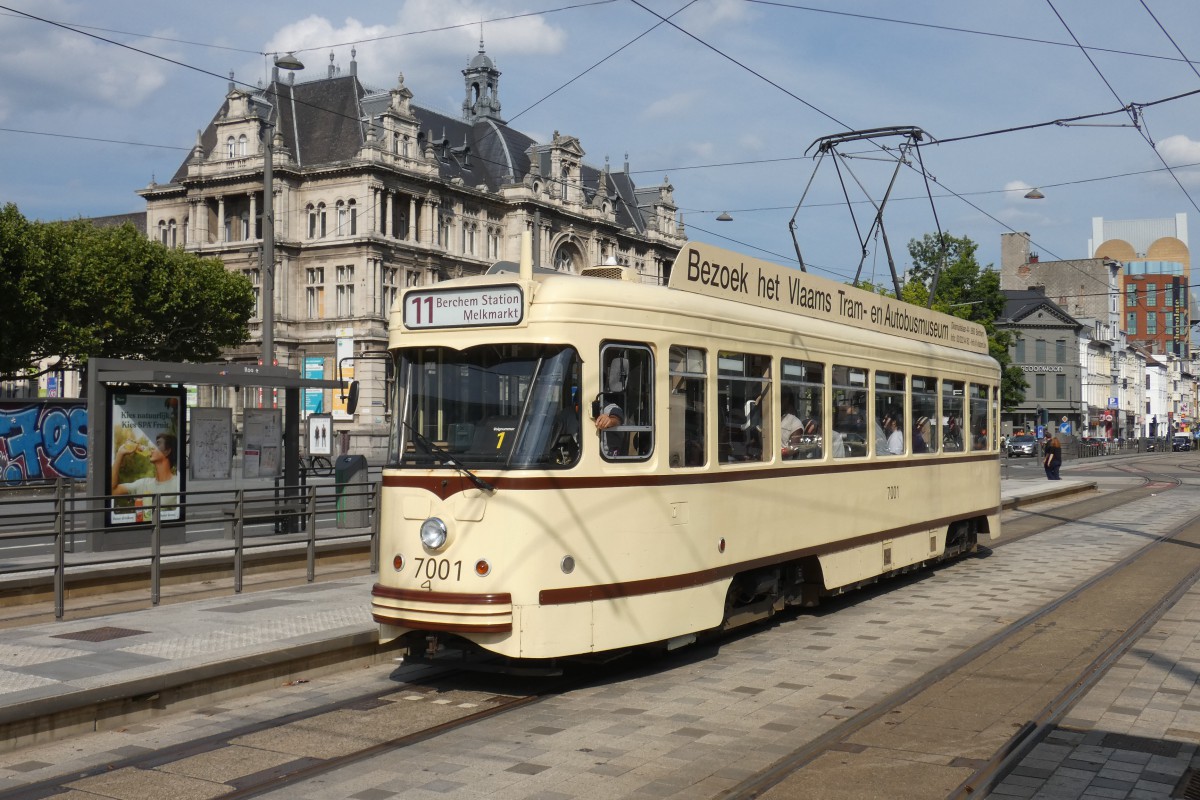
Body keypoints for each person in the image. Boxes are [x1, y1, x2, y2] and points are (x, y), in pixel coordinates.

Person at [112, 432, 180, 513]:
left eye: (158, 444)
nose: (152, 448)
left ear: (167, 451)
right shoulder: (143, 484)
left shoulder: (177, 484)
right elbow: (112, 491)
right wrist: (120, 454)